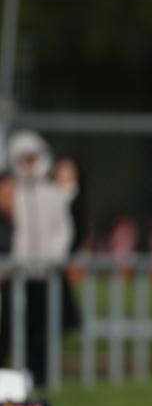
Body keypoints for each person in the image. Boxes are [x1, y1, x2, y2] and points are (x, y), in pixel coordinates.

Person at [0, 131, 79, 387]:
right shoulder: (12, 193)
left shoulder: (53, 193)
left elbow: (63, 230)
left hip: (46, 276)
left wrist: (51, 259)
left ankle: (40, 377)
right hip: (16, 275)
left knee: (42, 331)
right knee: (10, 329)